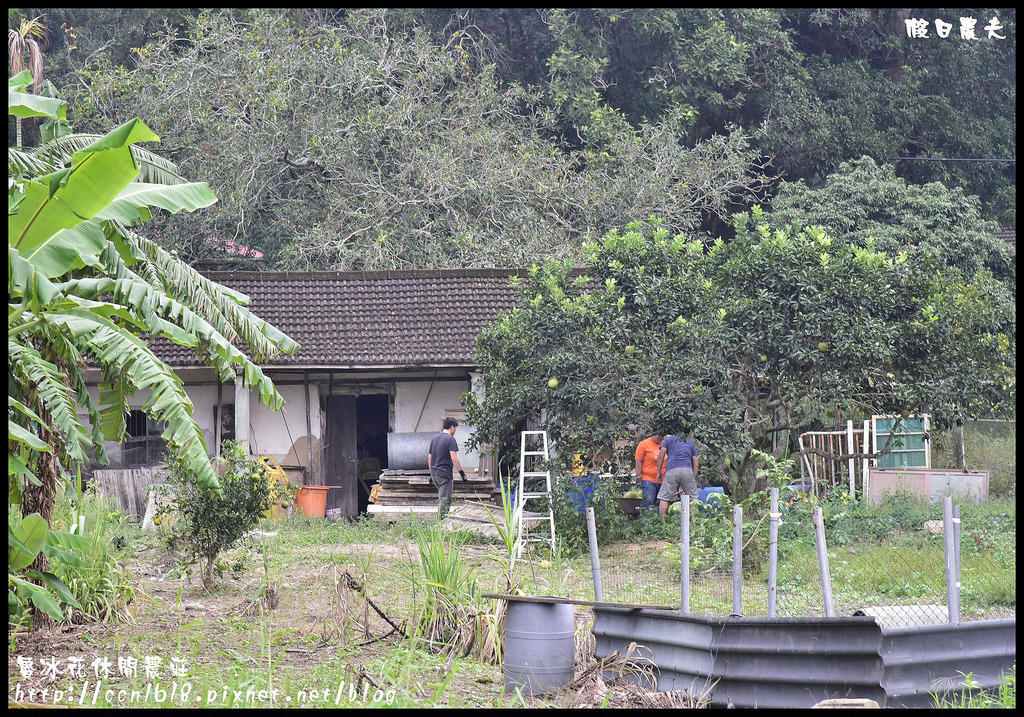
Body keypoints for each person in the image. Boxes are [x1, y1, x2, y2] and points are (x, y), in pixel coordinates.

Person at [655, 424, 700, 521]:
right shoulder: (691, 444)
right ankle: (694, 522)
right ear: (687, 434)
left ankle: (662, 522)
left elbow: (661, 456)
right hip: (687, 470)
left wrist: (658, 472)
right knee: (693, 497)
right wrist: (693, 477)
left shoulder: (668, 440)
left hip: (672, 470)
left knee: (664, 497)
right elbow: (696, 464)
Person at [427, 417, 467, 519]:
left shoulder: (435, 439)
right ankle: (440, 526)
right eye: (456, 428)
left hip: (435, 474)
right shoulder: (450, 439)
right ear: (452, 427)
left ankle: (440, 524)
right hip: (444, 475)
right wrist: (462, 473)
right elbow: (453, 457)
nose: (455, 431)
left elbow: (429, 457)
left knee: (442, 500)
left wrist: (431, 473)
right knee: (445, 501)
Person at [634, 432, 665, 511]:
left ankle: (657, 521)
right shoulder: (644, 444)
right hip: (648, 478)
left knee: (659, 503)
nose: (660, 437)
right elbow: (638, 461)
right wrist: (638, 475)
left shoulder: (665, 444)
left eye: (662, 435)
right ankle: (645, 520)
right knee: (648, 501)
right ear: (653, 433)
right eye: (659, 435)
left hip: (663, 479)